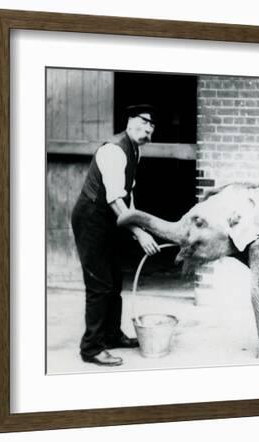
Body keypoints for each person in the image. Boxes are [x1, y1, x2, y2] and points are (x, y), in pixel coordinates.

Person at [71, 104, 160, 367]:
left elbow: (126, 197)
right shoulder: (114, 151)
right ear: (130, 121)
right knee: (99, 284)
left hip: (111, 220)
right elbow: (113, 199)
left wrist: (138, 227)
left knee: (114, 280)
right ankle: (91, 348)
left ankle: (111, 335)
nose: (148, 128)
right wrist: (138, 232)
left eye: (152, 125)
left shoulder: (135, 151)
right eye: (144, 121)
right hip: (92, 218)